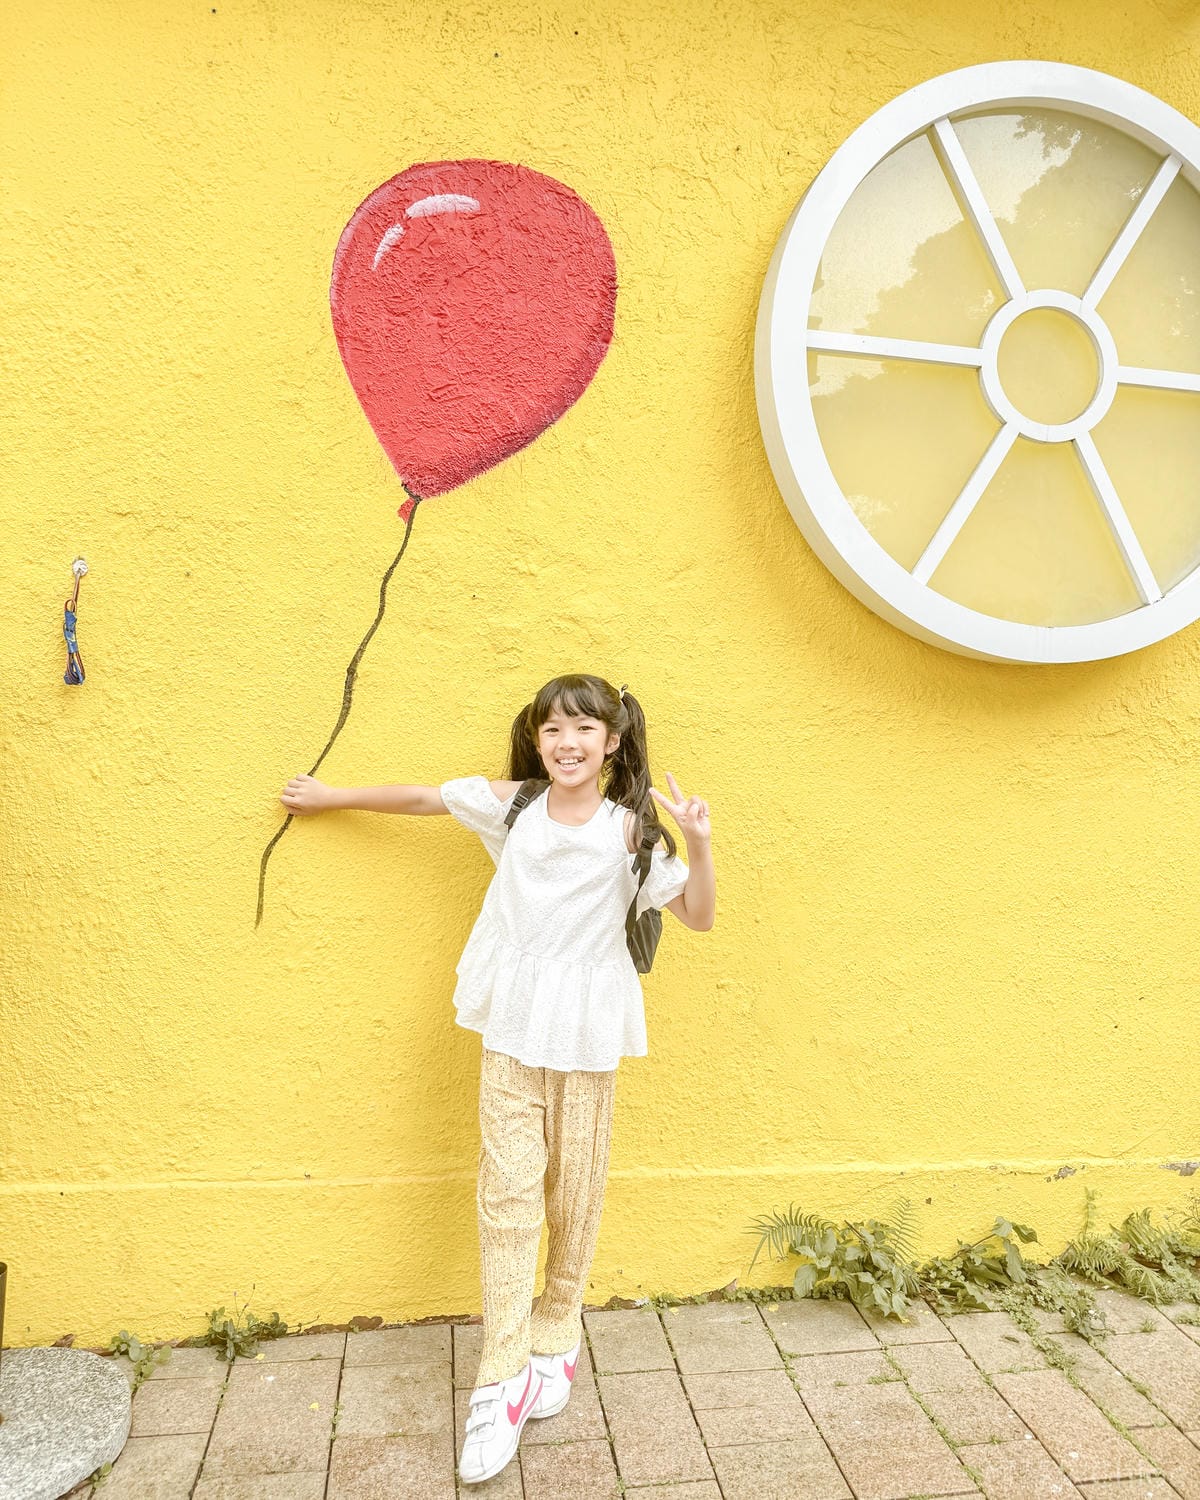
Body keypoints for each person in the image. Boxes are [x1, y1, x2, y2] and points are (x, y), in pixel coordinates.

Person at [279, 673, 715, 1485]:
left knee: (572, 1191)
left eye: (583, 729)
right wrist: (330, 796)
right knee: (507, 1190)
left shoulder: (632, 833)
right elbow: (420, 800)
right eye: (551, 729)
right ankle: (501, 1374)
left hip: (584, 1029)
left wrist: (700, 841)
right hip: (512, 1020)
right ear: (539, 739)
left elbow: (696, 915)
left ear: (612, 742)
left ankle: (558, 1328)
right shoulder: (513, 804)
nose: (566, 743)